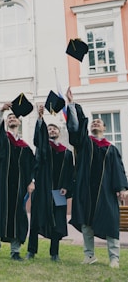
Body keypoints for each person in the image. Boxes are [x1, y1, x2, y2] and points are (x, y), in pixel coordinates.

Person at [66, 87, 128, 268]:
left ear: (105, 128)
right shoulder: (85, 144)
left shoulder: (111, 148)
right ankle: (89, 256)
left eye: (98, 122)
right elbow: (76, 131)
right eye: (93, 122)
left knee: (110, 224)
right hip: (86, 190)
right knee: (86, 224)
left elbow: (119, 169)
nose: (95, 124)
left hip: (106, 192)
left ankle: (114, 258)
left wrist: (122, 188)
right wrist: (71, 105)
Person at [26, 105, 73, 261]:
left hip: (59, 192)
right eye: (49, 129)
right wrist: (40, 119)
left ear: (59, 133)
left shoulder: (67, 153)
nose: (52, 131)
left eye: (54, 129)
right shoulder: (43, 148)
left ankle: (55, 253)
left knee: (57, 222)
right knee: (36, 219)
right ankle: (31, 251)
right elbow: (38, 140)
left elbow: (69, 173)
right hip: (43, 188)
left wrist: (66, 187)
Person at [0, 103, 35, 261]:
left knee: (18, 217)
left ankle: (15, 251)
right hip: (2, 186)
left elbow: (32, 167)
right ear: (6, 122)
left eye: (14, 117)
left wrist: (31, 182)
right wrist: (1, 111)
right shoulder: (2, 139)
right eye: (10, 118)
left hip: (19, 188)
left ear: (20, 122)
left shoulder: (26, 148)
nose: (12, 119)